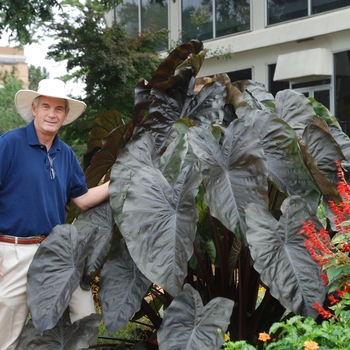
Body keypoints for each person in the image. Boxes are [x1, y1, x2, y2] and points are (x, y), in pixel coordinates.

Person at [0, 78, 110, 349]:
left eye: (58, 108)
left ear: (64, 115)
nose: (52, 114)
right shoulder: (9, 144)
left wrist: (117, 183)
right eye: (46, 106)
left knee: (85, 316)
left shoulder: (66, 154)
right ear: (35, 109)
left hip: (58, 251)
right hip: (15, 251)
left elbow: (82, 200)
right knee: (8, 335)